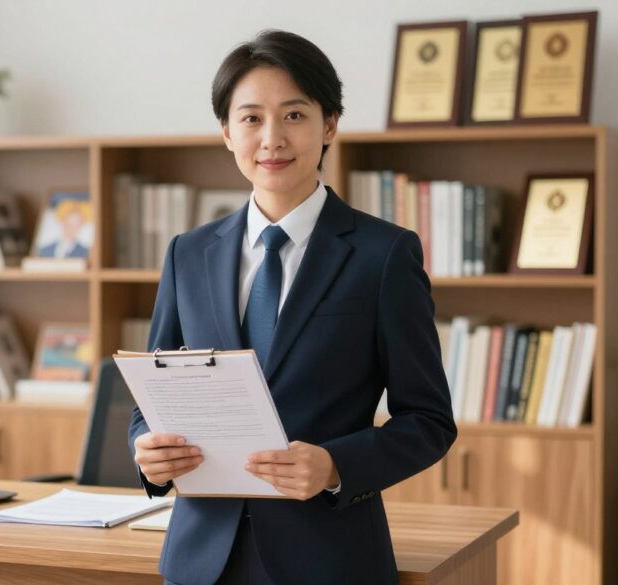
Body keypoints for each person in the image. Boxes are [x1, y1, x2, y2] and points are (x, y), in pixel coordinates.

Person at [128, 29, 456, 585]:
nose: (272, 138)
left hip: (329, 557)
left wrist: (335, 466)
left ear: (329, 125)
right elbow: (153, 396)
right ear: (227, 134)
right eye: (251, 118)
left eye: (295, 116)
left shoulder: (383, 255)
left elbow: (428, 421)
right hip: (201, 558)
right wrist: (147, 451)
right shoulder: (188, 253)